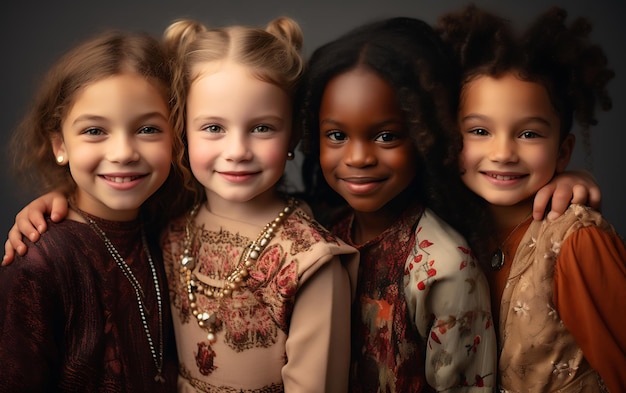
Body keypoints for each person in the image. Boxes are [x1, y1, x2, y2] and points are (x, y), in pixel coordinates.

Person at [159, 16, 358, 392]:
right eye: (214, 127)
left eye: (262, 127)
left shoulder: (310, 261)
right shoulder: (171, 227)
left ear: (294, 134)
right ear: (182, 128)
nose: (237, 152)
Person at [298, 16, 497, 392]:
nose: (358, 157)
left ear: (426, 135)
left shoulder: (444, 269)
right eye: (337, 135)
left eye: (386, 136)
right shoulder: (316, 230)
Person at [438, 5, 626, 392]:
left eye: (529, 134)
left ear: (562, 151)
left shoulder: (576, 241)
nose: (504, 152)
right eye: (479, 131)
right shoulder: (451, 226)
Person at [0, 31, 183, 390]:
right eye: (95, 130)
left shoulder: (168, 226)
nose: (123, 153)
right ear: (59, 145)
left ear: (176, 136)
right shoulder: (40, 260)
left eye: (147, 129)